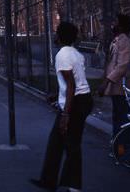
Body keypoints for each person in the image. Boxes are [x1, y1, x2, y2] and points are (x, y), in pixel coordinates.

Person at [31, 22, 93, 191]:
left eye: (56, 32)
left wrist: (66, 115)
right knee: (56, 142)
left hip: (76, 102)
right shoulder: (75, 53)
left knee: (71, 145)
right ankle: (48, 181)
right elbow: (73, 81)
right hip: (81, 99)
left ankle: (74, 187)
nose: (55, 35)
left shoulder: (62, 55)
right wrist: (57, 96)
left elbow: (72, 85)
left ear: (59, 36)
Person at [98, 14, 130, 138]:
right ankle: (118, 145)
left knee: (122, 117)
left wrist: (106, 82)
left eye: (116, 21)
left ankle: (123, 146)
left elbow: (122, 66)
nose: (113, 23)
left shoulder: (124, 41)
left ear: (122, 26)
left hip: (121, 87)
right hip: (116, 87)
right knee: (117, 115)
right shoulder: (117, 40)